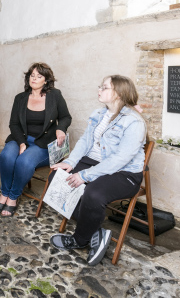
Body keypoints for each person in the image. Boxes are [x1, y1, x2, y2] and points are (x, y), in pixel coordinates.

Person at [49, 75, 147, 266]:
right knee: (56, 177)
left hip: (124, 172)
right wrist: (70, 162)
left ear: (118, 94)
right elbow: (86, 141)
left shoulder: (134, 122)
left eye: (104, 87)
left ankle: (80, 239)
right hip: (92, 162)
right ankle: (96, 231)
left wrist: (84, 175)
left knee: (93, 194)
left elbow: (120, 159)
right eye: (100, 86)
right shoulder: (98, 114)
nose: (99, 90)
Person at [0, 63, 71, 217]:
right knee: (7, 155)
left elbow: (65, 117)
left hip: (42, 143)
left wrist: (61, 128)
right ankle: (4, 193)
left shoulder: (55, 95)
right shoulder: (20, 98)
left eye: (39, 76)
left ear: (46, 80)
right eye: (32, 75)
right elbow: (14, 124)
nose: (34, 79)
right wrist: (22, 143)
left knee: (24, 161)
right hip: (20, 138)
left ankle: (13, 197)